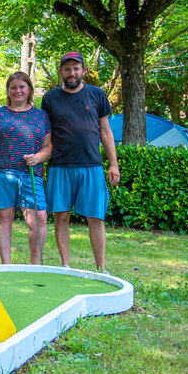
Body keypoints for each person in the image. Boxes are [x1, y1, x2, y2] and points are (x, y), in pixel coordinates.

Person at [40, 52, 120, 271]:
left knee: (96, 218)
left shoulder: (97, 94)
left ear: (83, 70)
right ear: (61, 72)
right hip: (60, 166)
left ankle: (101, 268)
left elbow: (106, 132)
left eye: (76, 68)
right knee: (61, 216)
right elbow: (46, 135)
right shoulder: (50, 98)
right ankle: (65, 266)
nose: (71, 73)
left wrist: (113, 164)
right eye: (67, 69)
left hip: (92, 166)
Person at [0, 72, 52, 264]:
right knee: (3, 218)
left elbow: (48, 146)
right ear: (8, 91)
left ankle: (35, 265)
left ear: (29, 90)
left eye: (22, 87)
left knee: (39, 217)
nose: (18, 91)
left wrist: (38, 157)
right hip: (0, 172)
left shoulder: (41, 116)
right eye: (13, 87)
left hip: (30, 174)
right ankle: (6, 265)